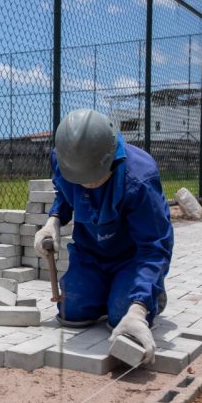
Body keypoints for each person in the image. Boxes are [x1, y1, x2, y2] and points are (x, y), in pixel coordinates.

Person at [34, 108, 174, 364]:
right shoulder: (66, 159)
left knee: (121, 316)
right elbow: (64, 194)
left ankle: (148, 294)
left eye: (93, 178)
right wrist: (53, 221)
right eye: (80, 179)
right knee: (71, 312)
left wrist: (137, 308)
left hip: (131, 258)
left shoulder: (139, 179)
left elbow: (154, 248)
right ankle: (109, 292)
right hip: (91, 254)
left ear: (110, 158)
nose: (86, 185)